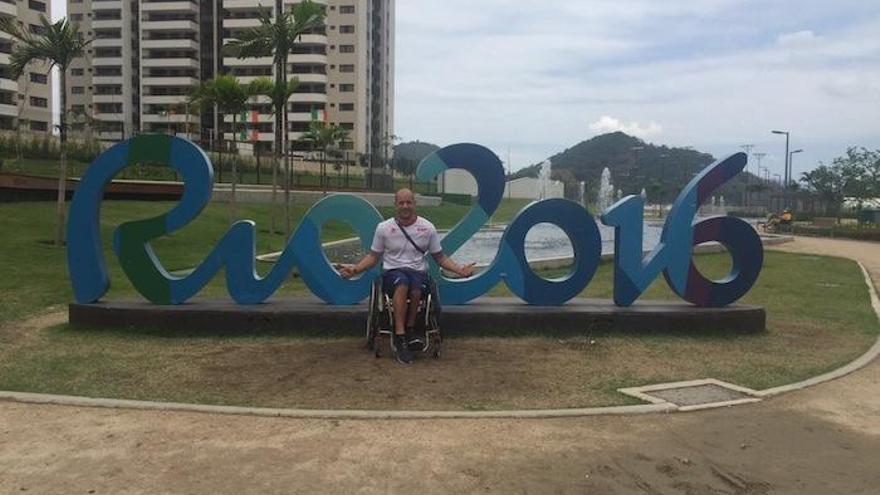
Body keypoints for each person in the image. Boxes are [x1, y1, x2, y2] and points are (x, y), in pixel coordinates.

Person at [339, 188, 475, 364]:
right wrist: (355, 270)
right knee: (402, 283)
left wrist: (459, 270)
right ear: (396, 204)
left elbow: (440, 257)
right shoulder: (384, 228)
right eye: (401, 202)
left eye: (408, 202)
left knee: (416, 286)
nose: (405, 206)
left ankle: (411, 329)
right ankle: (400, 335)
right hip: (393, 273)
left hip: (417, 273)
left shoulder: (427, 228)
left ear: (414, 204)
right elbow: (373, 256)